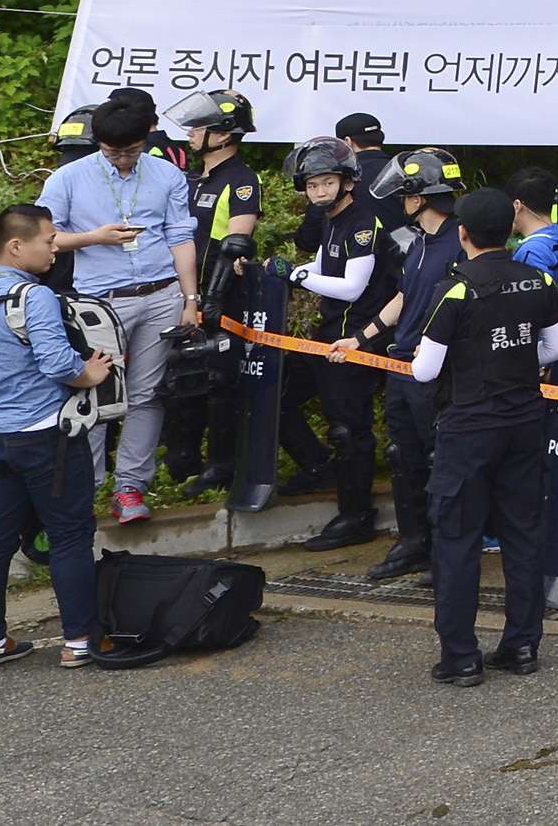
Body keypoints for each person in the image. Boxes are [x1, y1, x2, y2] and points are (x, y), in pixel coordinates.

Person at [0, 205, 114, 671]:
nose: (56, 248)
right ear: (17, 246)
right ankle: (80, 640)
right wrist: (89, 374)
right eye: (50, 240)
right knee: (70, 536)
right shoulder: (34, 297)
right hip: (45, 438)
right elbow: (59, 364)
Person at [412, 188, 558, 685]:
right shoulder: (537, 280)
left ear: (462, 234)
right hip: (524, 420)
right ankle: (522, 647)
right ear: (509, 227)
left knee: (457, 539)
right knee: (523, 533)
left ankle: (460, 656)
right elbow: (556, 347)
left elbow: (424, 371)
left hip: (468, 427)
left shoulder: (455, 289)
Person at [34, 101, 195, 526]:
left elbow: (181, 236)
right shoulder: (68, 177)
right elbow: (44, 239)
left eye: (132, 150)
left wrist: (190, 299)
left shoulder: (167, 174)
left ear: (147, 138)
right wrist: (95, 237)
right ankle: (82, 491)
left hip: (162, 294)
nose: (123, 158)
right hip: (101, 302)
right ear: (98, 143)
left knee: (147, 394)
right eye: (112, 152)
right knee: (94, 393)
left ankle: (130, 488)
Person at [337, 148, 466, 583]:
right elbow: (405, 297)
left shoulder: (458, 246)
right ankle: (413, 544)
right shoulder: (420, 244)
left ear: (418, 198)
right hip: (400, 367)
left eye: (406, 196)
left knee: (439, 460)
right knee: (403, 456)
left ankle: (445, 552)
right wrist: (361, 338)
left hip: (434, 372)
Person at [164, 87, 284, 491]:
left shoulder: (242, 180)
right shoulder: (192, 178)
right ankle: (181, 458)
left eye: (200, 127)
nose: (191, 133)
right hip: (179, 287)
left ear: (226, 134)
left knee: (218, 379)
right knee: (179, 373)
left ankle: (221, 464)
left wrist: (210, 295)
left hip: (217, 292)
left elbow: (237, 242)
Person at [287, 135, 399, 553]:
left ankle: (357, 515)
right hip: (331, 333)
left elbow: (353, 287)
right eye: (313, 185)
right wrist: (289, 269)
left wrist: (297, 278)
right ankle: (323, 475)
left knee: (351, 429)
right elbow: (319, 265)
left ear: (348, 182)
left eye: (328, 183)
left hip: (358, 338)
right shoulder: (331, 219)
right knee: (292, 400)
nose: (320, 192)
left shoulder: (363, 222)